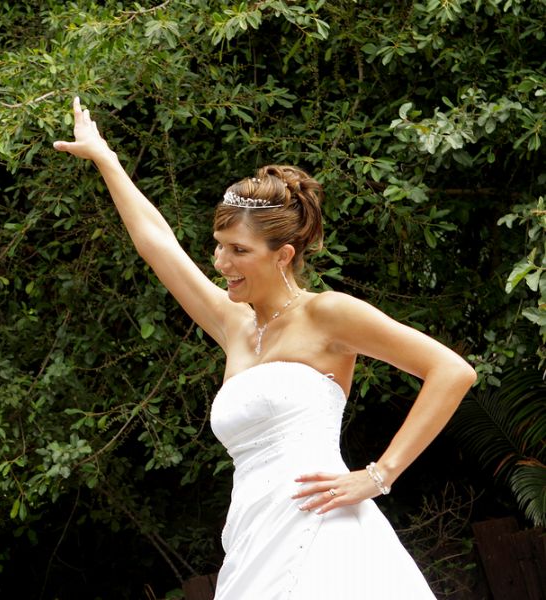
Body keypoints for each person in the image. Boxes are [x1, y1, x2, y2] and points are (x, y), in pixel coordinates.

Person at [53, 97, 477, 598]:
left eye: (239, 251)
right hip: (255, 537)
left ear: (284, 255)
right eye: (218, 245)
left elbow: (452, 371)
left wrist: (379, 475)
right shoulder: (232, 322)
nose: (220, 262)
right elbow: (157, 243)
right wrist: (107, 159)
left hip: (324, 531)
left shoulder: (329, 314)